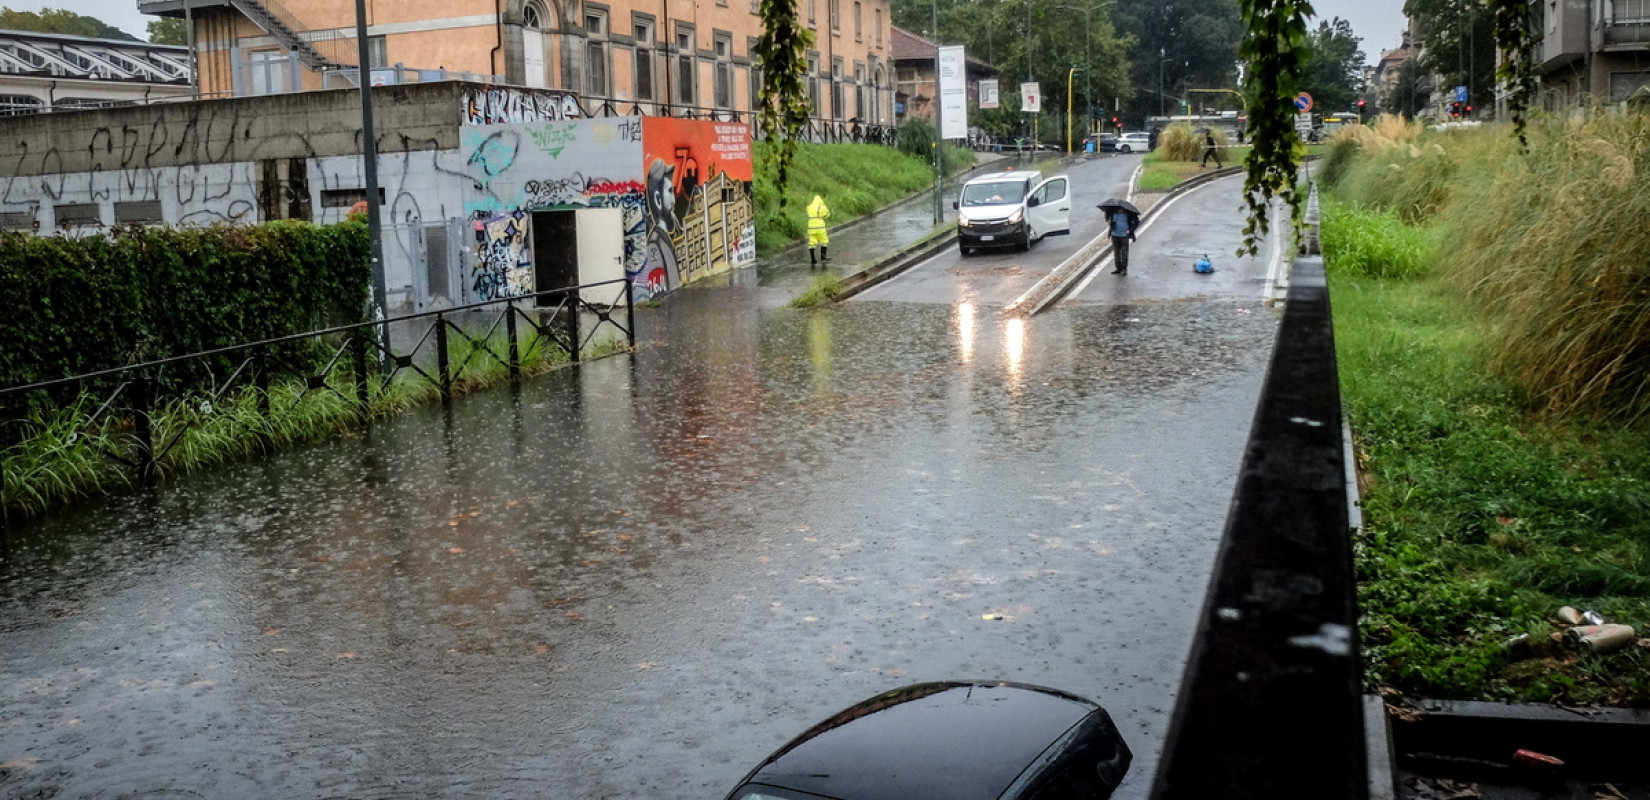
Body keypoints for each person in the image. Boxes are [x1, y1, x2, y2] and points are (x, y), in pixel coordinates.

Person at [1108, 208, 1137, 275]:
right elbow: (1108, 219)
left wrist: (1130, 230)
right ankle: (1118, 268)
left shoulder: (1129, 213)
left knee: (1124, 252)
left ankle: (1124, 269)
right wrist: (1109, 222)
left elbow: (1136, 222)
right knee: (1116, 253)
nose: (1119, 210)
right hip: (1114, 235)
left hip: (1124, 236)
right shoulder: (1112, 212)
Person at [806, 194, 831, 266]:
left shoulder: (809, 207)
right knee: (824, 242)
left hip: (811, 227)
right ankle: (823, 257)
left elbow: (808, 215)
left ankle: (812, 259)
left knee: (812, 243)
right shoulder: (822, 207)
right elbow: (827, 215)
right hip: (820, 228)